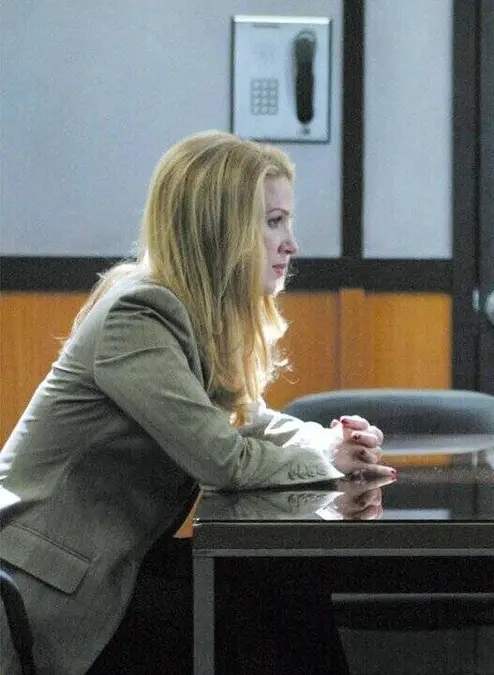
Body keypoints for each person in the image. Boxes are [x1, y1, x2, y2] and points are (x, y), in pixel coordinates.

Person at [0, 130, 397, 675]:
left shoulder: (185, 313)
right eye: (274, 222)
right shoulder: (138, 315)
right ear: (220, 229)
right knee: (275, 609)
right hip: (51, 593)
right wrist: (328, 459)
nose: (291, 244)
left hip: (113, 566)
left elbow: (249, 422)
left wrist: (333, 440)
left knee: (283, 589)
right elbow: (222, 460)